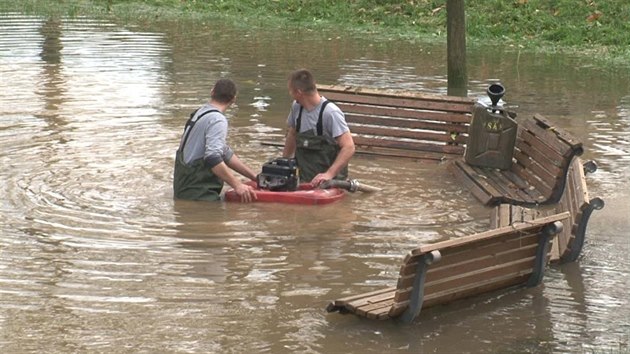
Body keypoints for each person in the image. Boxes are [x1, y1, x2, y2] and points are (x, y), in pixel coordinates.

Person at [173, 78, 257, 202]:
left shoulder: (200, 113)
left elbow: (224, 153)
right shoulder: (218, 120)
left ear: (212, 92)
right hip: (198, 193)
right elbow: (213, 158)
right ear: (233, 100)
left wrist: (255, 177)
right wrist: (237, 185)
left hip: (184, 186)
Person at [282, 69, 355, 186]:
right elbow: (292, 134)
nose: (290, 94)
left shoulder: (331, 113)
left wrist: (329, 174)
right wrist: (284, 162)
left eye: (290, 91)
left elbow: (349, 147)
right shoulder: (296, 107)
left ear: (298, 92)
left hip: (329, 182)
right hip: (304, 179)